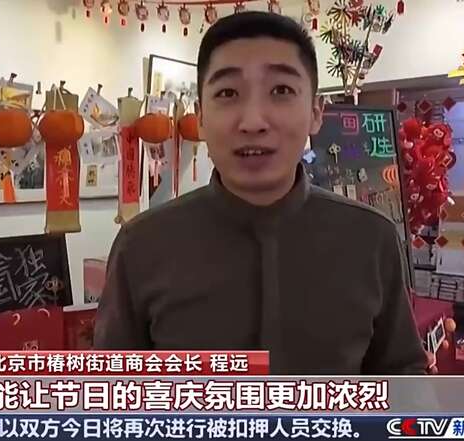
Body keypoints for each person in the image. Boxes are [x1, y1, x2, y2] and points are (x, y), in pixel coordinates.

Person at [94, 11, 431, 375]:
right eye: (227, 93)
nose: (253, 121)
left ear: (316, 113)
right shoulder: (142, 245)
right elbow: (114, 391)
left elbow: (403, 377)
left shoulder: (371, 239)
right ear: (201, 118)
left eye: (281, 91)